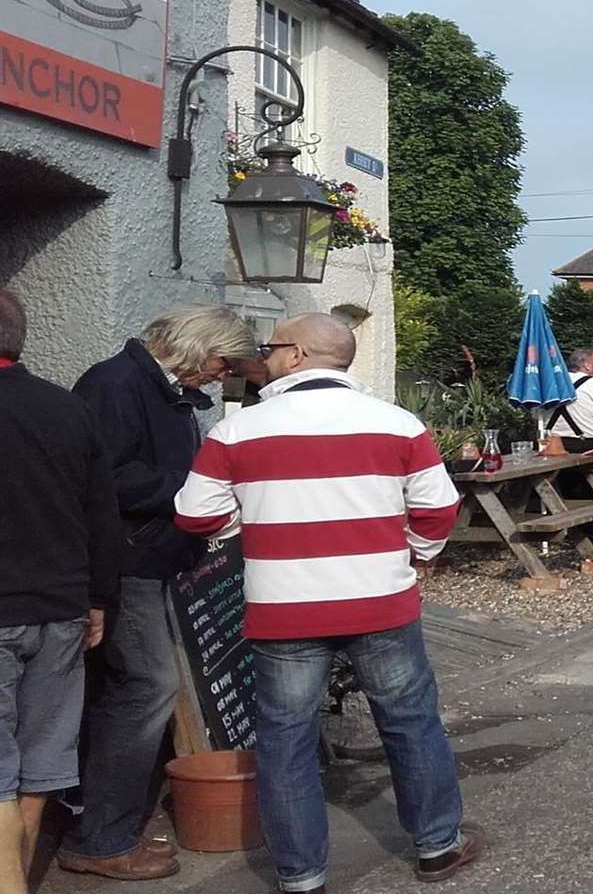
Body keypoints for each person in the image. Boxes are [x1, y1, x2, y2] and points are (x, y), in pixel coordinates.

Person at [172, 313, 484, 893]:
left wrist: (246, 520)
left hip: (284, 607)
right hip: (380, 600)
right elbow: (439, 506)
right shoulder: (396, 423)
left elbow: (194, 513)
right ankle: (438, 845)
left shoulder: (238, 432)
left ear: (294, 355)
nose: (264, 356)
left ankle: (301, 876)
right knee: (411, 721)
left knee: (285, 739)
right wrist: (415, 554)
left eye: (270, 347)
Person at [58, 306, 257, 882]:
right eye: (222, 362)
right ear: (198, 347)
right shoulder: (115, 384)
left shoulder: (159, 389)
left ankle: (103, 818)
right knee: (147, 687)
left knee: (125, 689)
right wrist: (199, 489)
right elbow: (101, 478)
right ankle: (101, 836)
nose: (224, 375)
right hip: (127, 563)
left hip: (151, 560)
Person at [0, 288, 117, 894]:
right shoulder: (67, 410)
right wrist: (97, 598)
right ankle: (15, 874)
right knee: (42, 754)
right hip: (63, 608)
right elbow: (102, 513)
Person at [546, 348, 593, 452]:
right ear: (587, 365)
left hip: (551, 445)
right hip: (588, 446)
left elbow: (538, 418)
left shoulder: (550, 384)